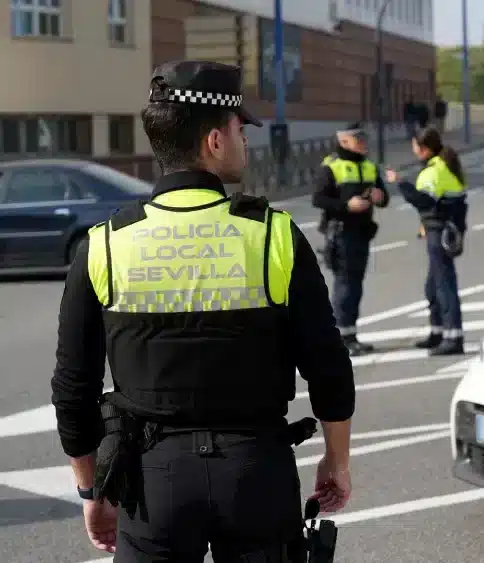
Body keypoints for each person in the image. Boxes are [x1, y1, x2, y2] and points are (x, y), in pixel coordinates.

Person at [50, 60, 355, 562]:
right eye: (240, 130)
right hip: (257, 473)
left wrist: (91, 491)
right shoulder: (273, 235)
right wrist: (336, 461)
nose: (245, 141)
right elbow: (327, 364)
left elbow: (72, 388)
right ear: (214, 141)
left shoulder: (104, 245)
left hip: (151, 482)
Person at [386, 127, 467, 356]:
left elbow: (424, 201)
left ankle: (453, 337)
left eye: (414, 146)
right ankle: (438, 332)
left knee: (444, 285)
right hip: (441, 230)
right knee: (433, 286)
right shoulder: (443, 166)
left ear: (424, 148)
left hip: (440, 233)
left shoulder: (434, 171)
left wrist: (400, 182)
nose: (412, 149)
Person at [312, 123, 390, 356]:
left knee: (355, 285)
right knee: (345, 286)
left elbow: (384, 198)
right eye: (358, 138)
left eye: (364, 138)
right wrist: (347, 206)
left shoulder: (369, 166)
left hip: (362, 233)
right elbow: (318, 199)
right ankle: (341, 339)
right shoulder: (331, 166)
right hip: (340, 233)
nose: (364, 142)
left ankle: (350, 336)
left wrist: (380, 196)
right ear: (343, 141)